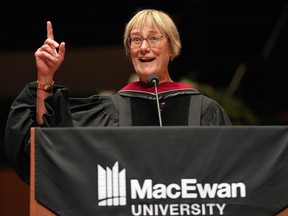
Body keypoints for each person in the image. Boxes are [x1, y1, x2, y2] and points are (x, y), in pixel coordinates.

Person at [4, 9, 232, 184]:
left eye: (154, 38)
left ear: (172, 49)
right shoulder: (109, 112)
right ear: (129, 50)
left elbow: (230, 174)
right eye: (135, 40)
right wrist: (45, 79)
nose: (144, 47)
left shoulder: (203, 110)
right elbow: (50, 145)